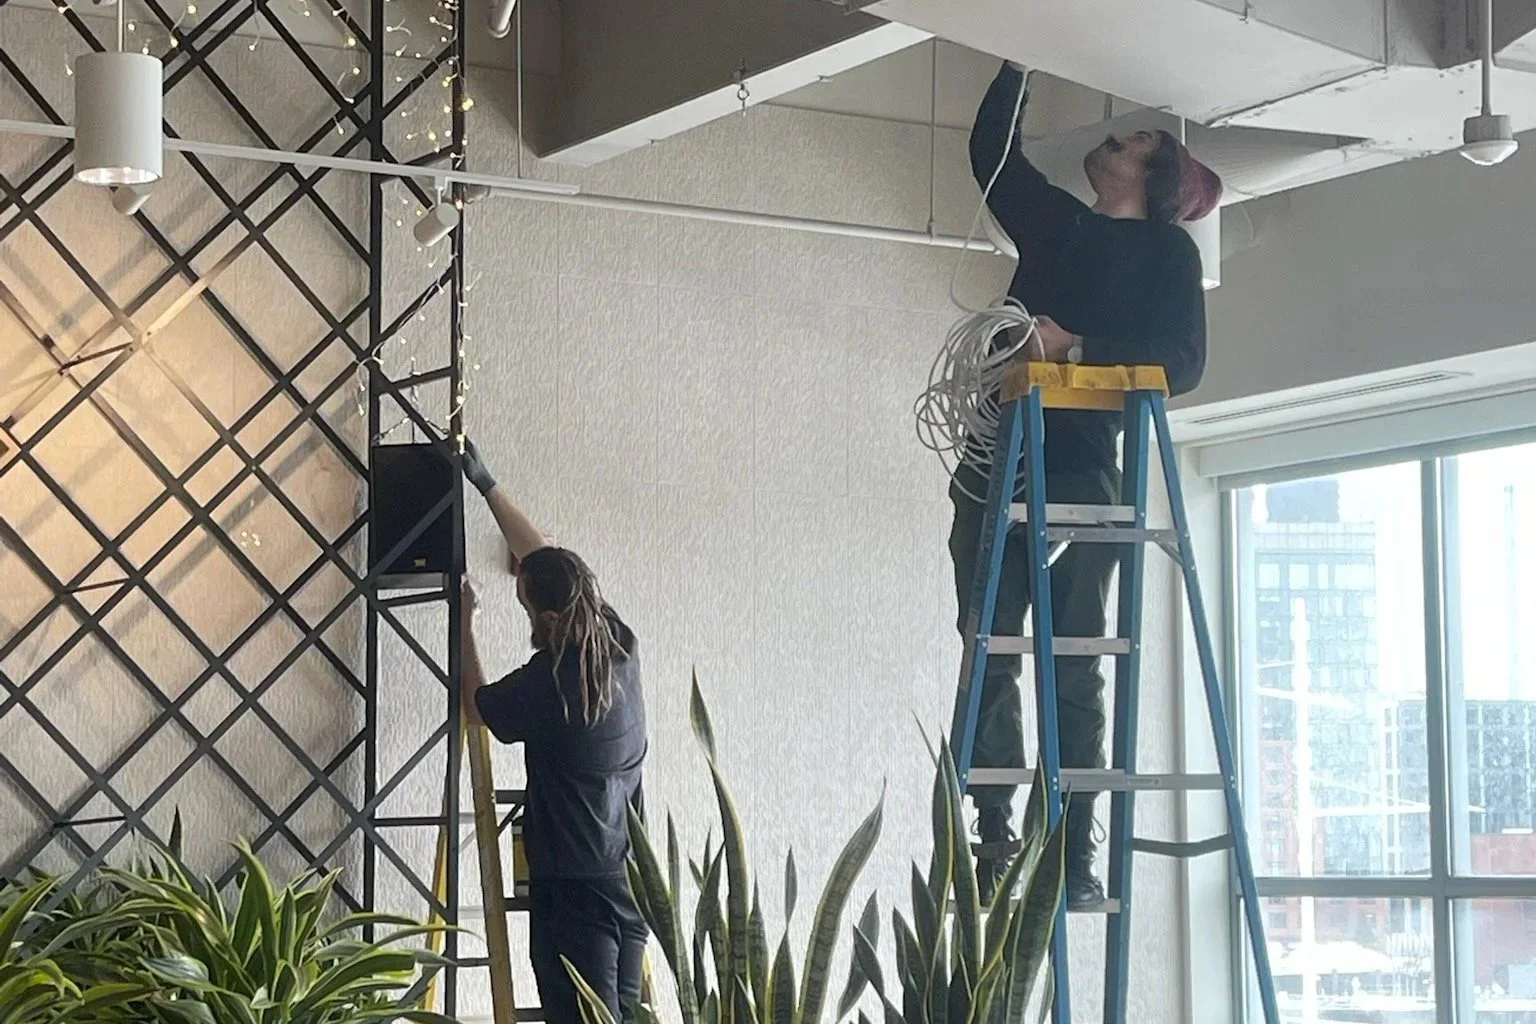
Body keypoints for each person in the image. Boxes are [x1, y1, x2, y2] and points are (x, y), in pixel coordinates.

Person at [952, 62, 1220, 908]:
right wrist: (1017, 56)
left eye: (1137, 139)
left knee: (1074, 664)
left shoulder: (1168, 253)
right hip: (998, 464)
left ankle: (1071, 841)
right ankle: (994, 832)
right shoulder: (1060, 225)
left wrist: (1072, 347)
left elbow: (1183, 363)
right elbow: (993, 157)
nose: (1118, 135)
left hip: (1081, 470)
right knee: (989, 649)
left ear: (1157, 178)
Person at [458, 441, 649, 1024]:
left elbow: (476, 707)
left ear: (545, 617)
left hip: (572, 893)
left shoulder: (550, 684)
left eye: (524, 605)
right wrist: (486, 483)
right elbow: (542, 555)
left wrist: (463, 622)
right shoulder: (618, 645)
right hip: (631, 879)